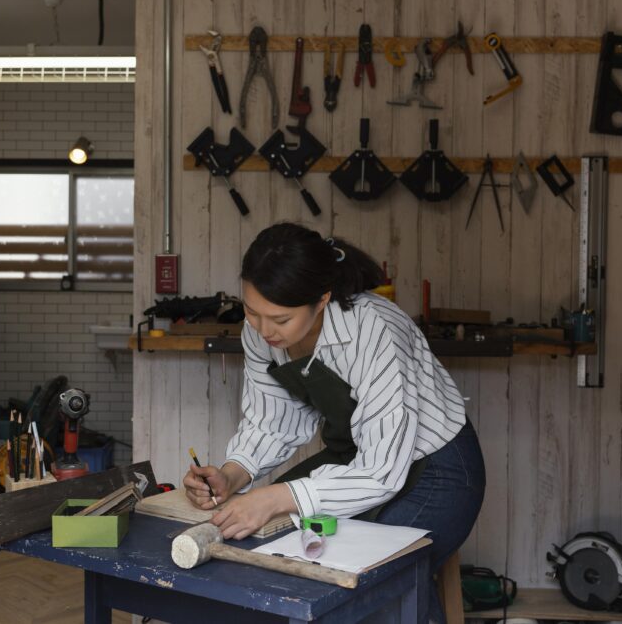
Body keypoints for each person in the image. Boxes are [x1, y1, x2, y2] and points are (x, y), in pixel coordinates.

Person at [183, 222, 485, 622]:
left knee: (375, 583)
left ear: (322, 299)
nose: (264, 330)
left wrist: (275, 497)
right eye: (251, 312)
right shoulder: (258, 332)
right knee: (262, 549)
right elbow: (272, 421)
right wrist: (232, 475)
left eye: (280, 319)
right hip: (352, 461)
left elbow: (380, 472)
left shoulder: (375, 328)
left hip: (437, 470)